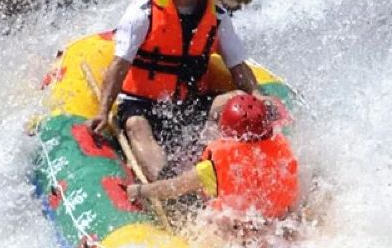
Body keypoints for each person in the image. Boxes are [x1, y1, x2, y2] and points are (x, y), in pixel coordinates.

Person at [88, 0, 262, 180]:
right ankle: (167, 182)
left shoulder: (217, 15)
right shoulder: (144, 10)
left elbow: (238, 67)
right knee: (136, 126)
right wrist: (103, 111)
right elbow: (120, 64)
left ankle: (208, 162)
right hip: (141, 103)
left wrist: (257, 96)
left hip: (190, 101)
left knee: (234, 100)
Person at [126, 93, 299, 225]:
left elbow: (173, 188)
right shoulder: (283, 153)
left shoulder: (216, 166)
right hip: (274, 225)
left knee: (207, 221)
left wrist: (140, 191)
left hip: (234, 230)